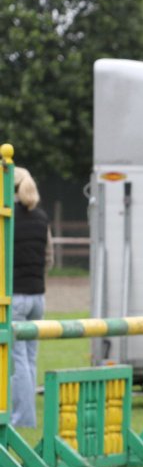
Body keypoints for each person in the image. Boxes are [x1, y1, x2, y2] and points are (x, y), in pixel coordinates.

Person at [10, 165, 49, 428]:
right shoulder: (42, 217)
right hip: (38, 297)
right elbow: (50, 259)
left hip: (16, 297)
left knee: (18, 363)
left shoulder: (7, 217)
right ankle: (27, 416)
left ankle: (22, 419)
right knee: (30, 360)